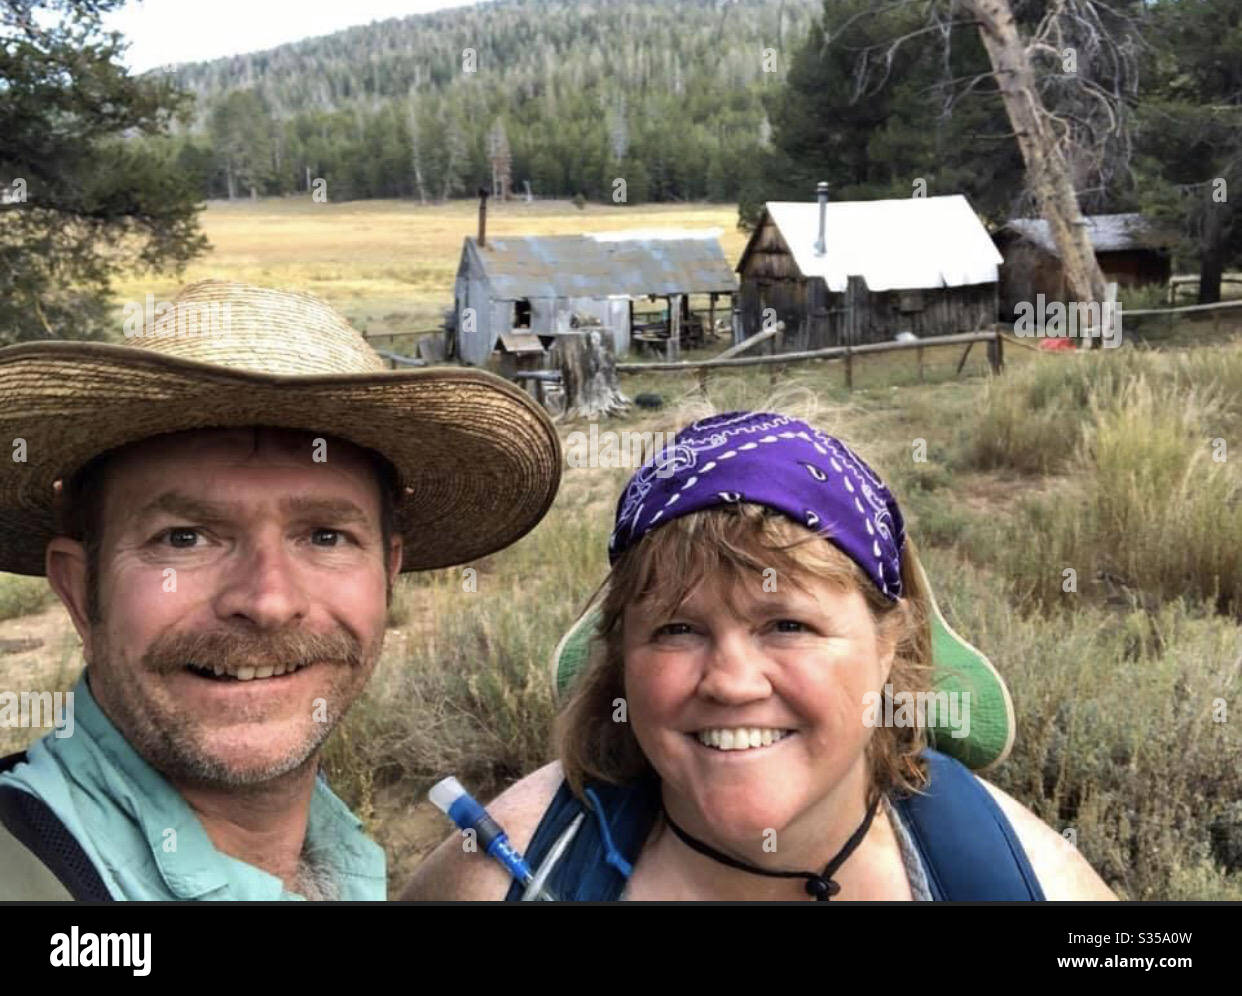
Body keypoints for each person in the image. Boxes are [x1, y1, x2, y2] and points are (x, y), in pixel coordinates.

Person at [404, 410, 1116, 901]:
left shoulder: (1020, 879)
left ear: (888, 643)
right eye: (677, 630)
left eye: (788, 625)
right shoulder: (507, 871)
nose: (733, 682)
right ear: (621, 655)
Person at [0, 280, 561, 900]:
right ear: (81, 592)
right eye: (184, 538)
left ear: (388, 574)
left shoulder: (336, 854)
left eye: (324, 536)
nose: (268, 603)